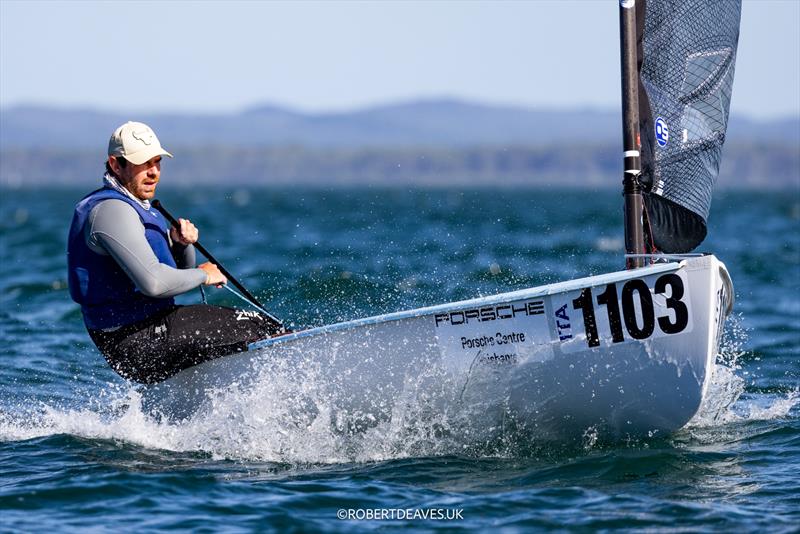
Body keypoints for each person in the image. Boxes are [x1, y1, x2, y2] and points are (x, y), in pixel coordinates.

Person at [67, 121, 283, 384]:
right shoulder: (111, 211)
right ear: (115, 164)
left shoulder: (141, 208)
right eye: (143, 163)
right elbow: (155, 283)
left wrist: (180, 244)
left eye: (157, 162)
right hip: (134, 340)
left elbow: (176, 276)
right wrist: (203, 275)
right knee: (258, 326)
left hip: (148, 332)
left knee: (242, 335)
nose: (153, 172)